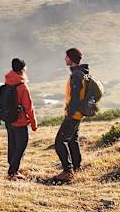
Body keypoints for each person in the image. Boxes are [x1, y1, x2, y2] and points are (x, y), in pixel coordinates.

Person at [52, 47, 89, 182]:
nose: (65, 59)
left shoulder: (77, 75)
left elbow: (75, 97)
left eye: (66, 56)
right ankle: (77, 166)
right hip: (77, 114)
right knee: (72, 140)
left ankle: (68, 171)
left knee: (59, 142)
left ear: (71, 58)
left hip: (73, 114)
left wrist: (70, 113)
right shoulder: (80, 73)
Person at [4, 58, 38, 180]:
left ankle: (12, 168)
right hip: (20, 122)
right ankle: (13, 172)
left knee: (12, 145)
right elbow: (29, 108)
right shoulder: (22, 87)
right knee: (21, 146)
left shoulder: (8, 82)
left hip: (9, 120)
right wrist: (33, 124)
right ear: (22, 69)